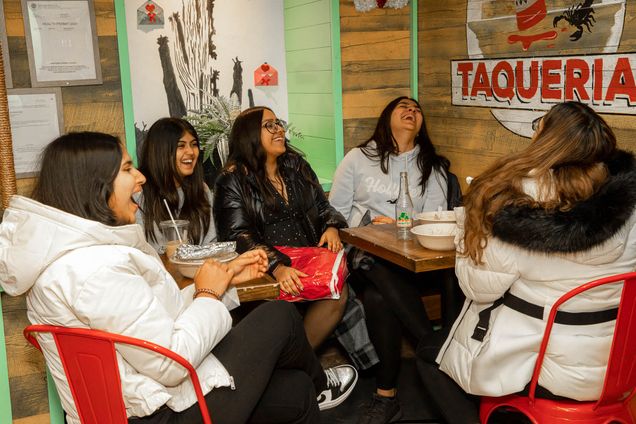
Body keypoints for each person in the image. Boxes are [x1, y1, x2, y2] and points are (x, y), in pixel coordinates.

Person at [0, 132, 357, 424]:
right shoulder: (93, 269)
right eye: (127, 169)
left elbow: (154, 323)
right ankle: (321, 381)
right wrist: (207, 294)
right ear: (95, 186)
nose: (140, 177)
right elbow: (170, 363)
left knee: (295, 391)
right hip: (156, 413)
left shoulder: (80, 259)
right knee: (278, 316)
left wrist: (226, 283)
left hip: (149, 396)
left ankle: (315, 384)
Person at [417, 101, 636, 423]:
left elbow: (478, 289)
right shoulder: (628, 201)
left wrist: (468, 228)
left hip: (546, 368)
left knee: (429, 355)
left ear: (546, 138)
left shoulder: (518, 202)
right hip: (619, 364)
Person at [329, 96, 462, 424]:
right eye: (403, 106)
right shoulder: (358, 159)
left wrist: (406, 224)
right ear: (387, 117)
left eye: (417, 109)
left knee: (379, 298)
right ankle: (434, 347)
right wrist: (363, 230)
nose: (411, 111)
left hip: (415, 259)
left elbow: (436, 217)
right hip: (364, 256)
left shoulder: (432, 165)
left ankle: (386, 396)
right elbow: (335, 213)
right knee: (374, 272)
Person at [214, 106, 376, 375]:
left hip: (310, 257)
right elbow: (236, 235)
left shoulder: (295, 165)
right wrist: (277, 266)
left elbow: (324, 207)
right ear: (249, 135)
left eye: (278, 123)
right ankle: (292, 373)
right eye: (269, 125)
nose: (279, 129)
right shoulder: (231, 179)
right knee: (283, 310)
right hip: (265, 268)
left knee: (338, 292)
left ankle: (288, 370)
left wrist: (332, 226)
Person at [136, 117, 216, 254]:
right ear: (161, 151)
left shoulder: (202, 190)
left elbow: (211, 242)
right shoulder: (139, 192)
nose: (190, 152)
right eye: (181, 146)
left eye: (194, 144)